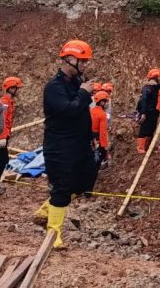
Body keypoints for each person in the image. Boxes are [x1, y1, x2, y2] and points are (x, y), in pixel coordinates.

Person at [41, 39, 98, 248]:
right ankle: (53, 234)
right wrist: (84, 93)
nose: (85, 65)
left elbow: (82, 112)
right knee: (62, 187)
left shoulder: (75, 83)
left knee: (85, 180)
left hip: (79, 144)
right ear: (68, 59)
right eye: (82, 61)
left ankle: (48, 208)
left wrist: (90, 137)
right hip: (60, 146)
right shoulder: (54, 87)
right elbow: (69, 110)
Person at [0, 77, 21, 194]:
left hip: (2, 135)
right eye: (16, 88)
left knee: (0, 159)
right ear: (11, 88)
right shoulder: (4, 102)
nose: (17, 90)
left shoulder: (9, 101)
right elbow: (1, 120)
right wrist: (2, 136)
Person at [136, 68, 160, 154]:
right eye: (159, 77)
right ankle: (140, 148)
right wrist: (143, 113)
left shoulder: (155, 87)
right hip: (147, 111)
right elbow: (144, 100)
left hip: (152, 111)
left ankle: (147, 148)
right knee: (144, 130)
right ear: (156, 77)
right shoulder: (147, 88)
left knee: (151, 129)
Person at [90, 91, 110, 166]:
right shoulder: (102, 114)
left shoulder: (91, 111)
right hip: (97, 137)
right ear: (102, 103)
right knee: (98, 156)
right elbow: (103, 132)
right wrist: (105, 146)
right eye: (106, 102)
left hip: (89, 136)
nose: (108, 104)